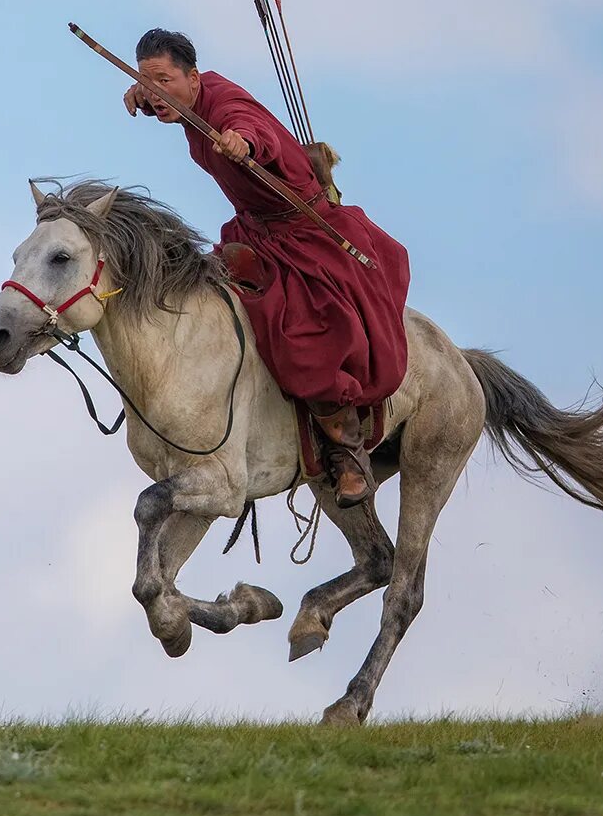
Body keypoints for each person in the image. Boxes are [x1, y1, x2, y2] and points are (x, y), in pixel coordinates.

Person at [123, 28, 410, 507]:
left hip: (304, 234)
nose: (155, 93)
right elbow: (165, 100)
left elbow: (248, 125)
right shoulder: (181, 99)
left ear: (193, 77)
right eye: (146, 81)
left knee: (302, 340)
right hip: (256, 230)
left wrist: (244, 143)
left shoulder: (226, 105)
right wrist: (144, 94)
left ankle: (349, 451)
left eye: (163, 80)